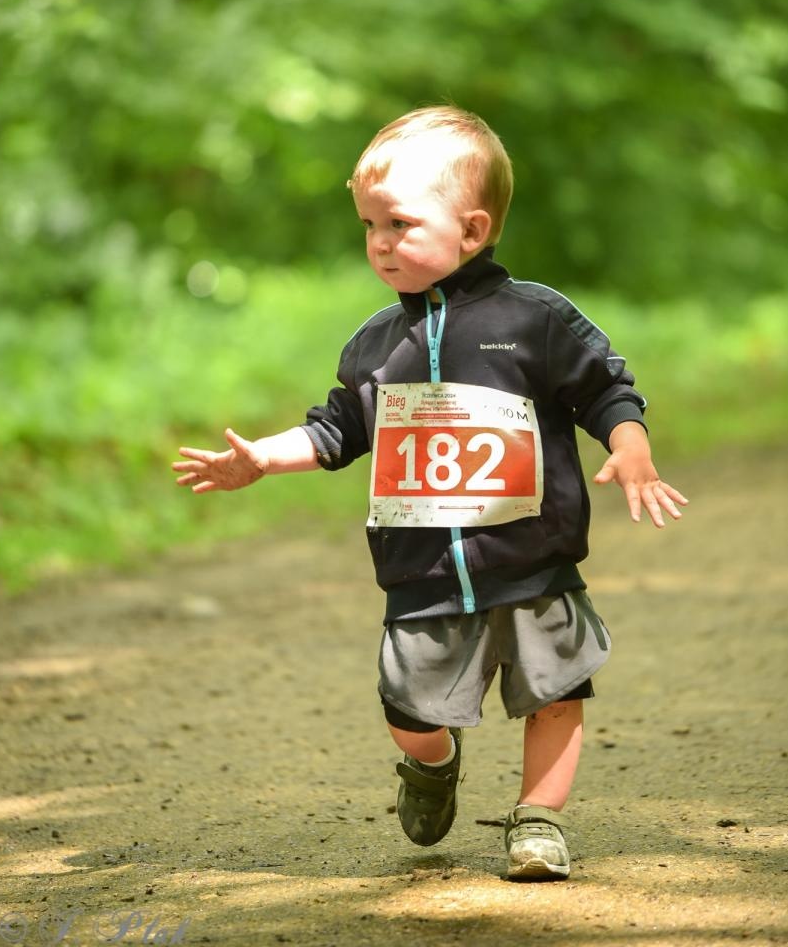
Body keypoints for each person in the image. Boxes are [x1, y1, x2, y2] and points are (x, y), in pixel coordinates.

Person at [171, 106, 687, 881]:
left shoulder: (535, 321)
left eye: (400, 224)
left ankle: (539, 820)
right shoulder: (377, 344)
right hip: (421, 572)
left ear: (472, 230)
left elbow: (606, 391)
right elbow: (337, 429)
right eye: (369, 225)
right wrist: (261, 461)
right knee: (409, 712)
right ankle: (431, 762)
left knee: (555, 692)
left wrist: (631, 445)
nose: (380, 243)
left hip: (532, 559)